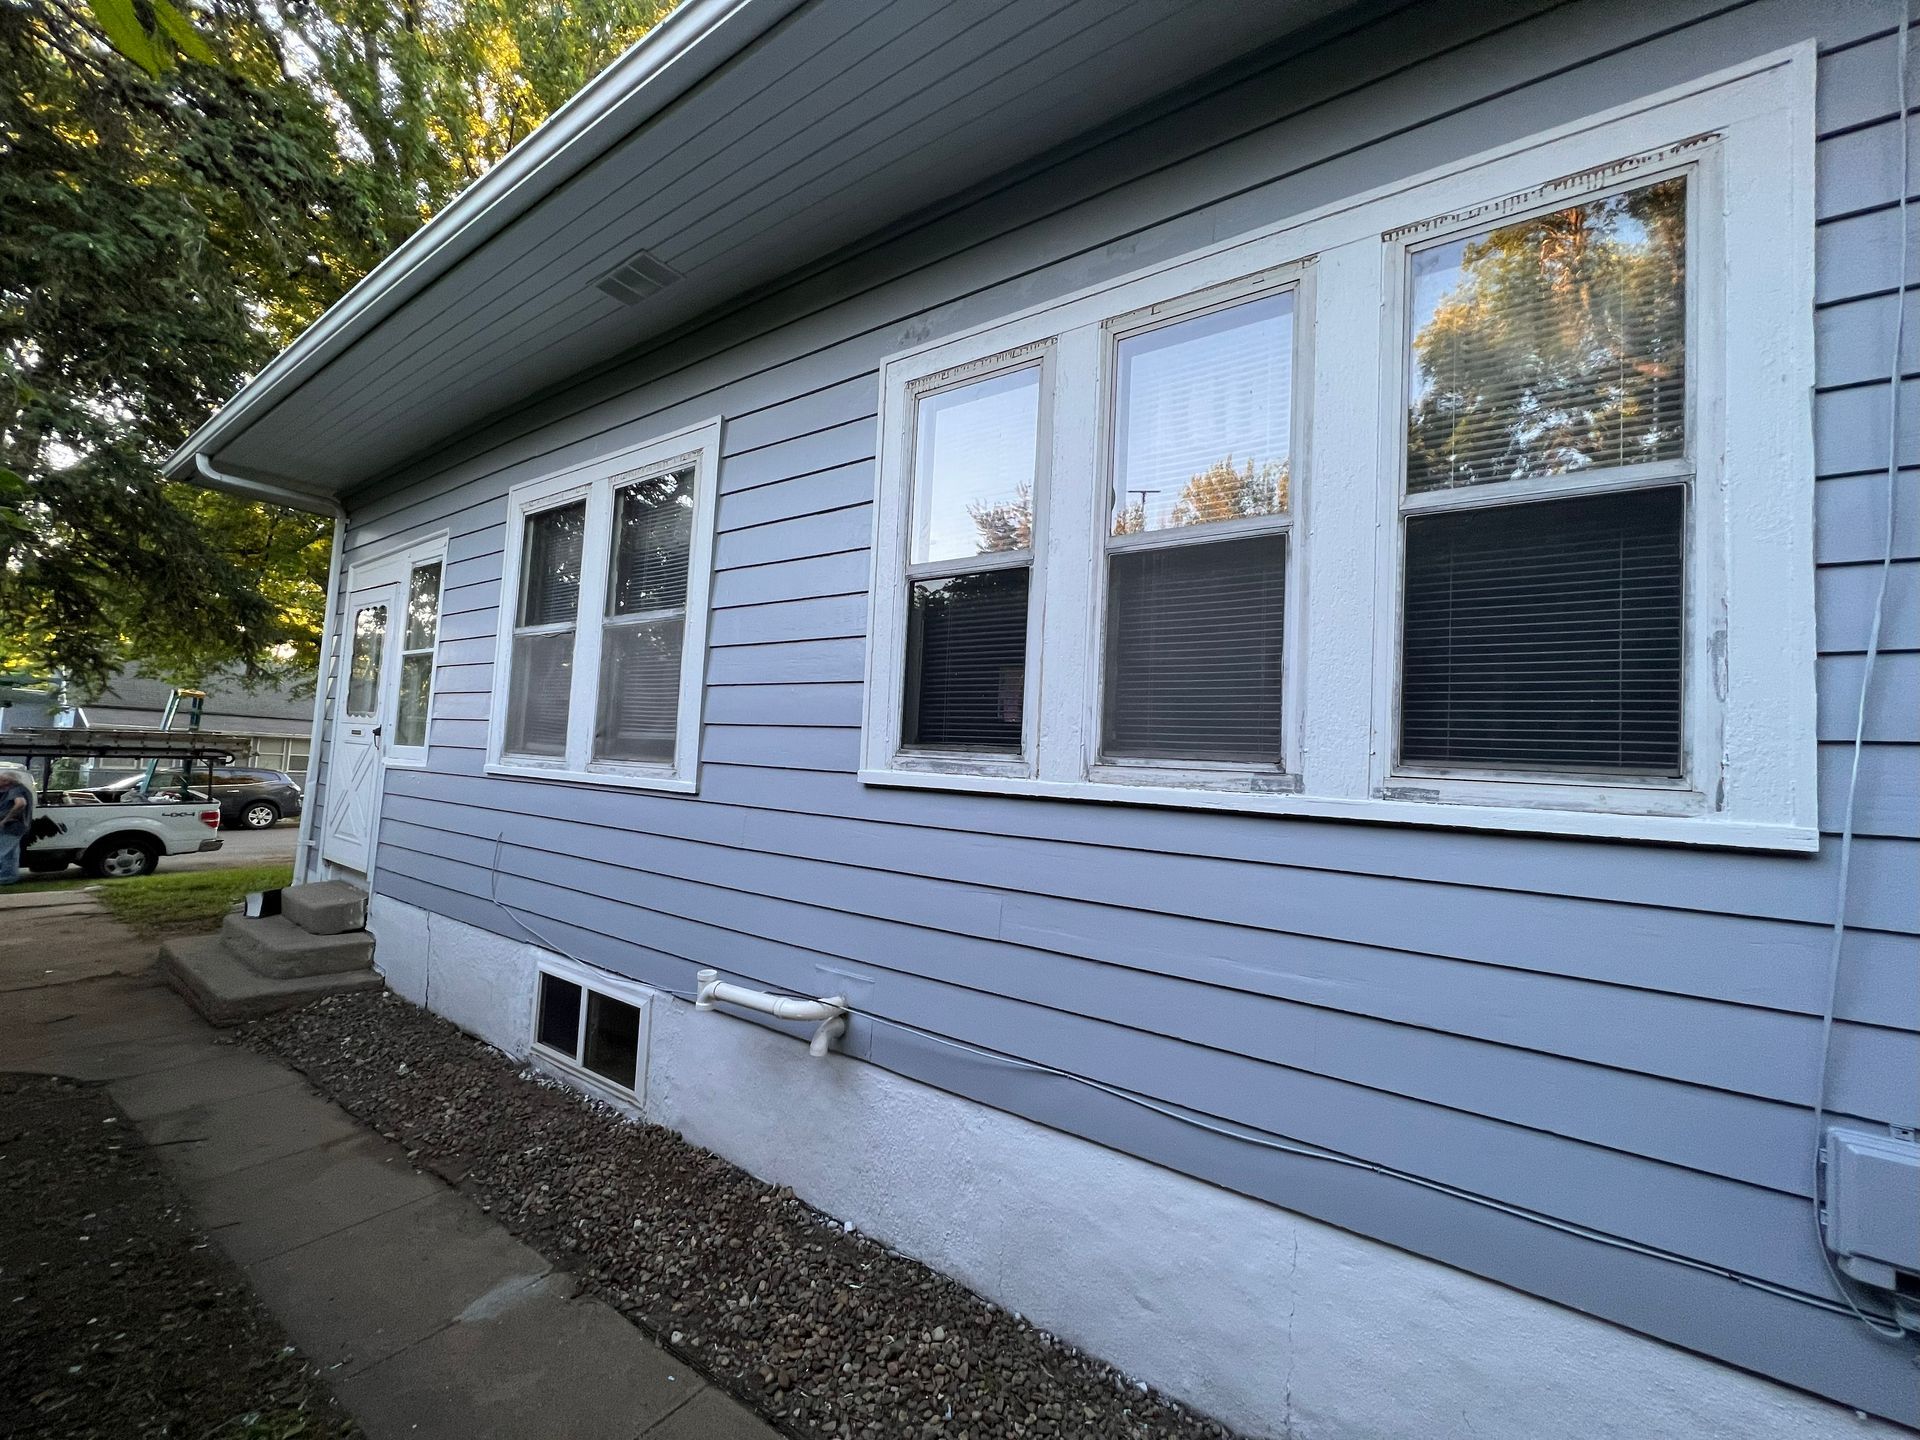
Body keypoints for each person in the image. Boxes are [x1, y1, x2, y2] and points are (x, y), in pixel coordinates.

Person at [0, 765, 35, 885]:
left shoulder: (15, 789)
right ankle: (10, 877)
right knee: (11, 853)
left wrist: (5, 820)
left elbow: (20, 803)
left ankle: (5, 878)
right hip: (18, 826)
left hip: (12, 826)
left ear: (7, 781)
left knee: (3, 852)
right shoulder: (18, 789)